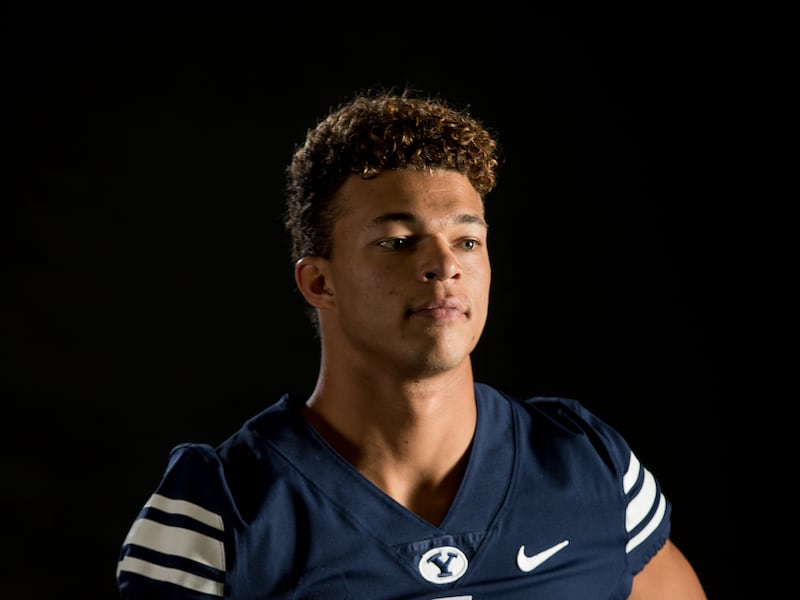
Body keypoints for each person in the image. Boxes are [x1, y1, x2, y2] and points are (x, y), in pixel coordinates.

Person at [116, 88, 707, 599]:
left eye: (467, 241)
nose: (444, 265)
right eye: (398, 241)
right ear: (320, 283)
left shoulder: (586, 464)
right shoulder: (219, 511)